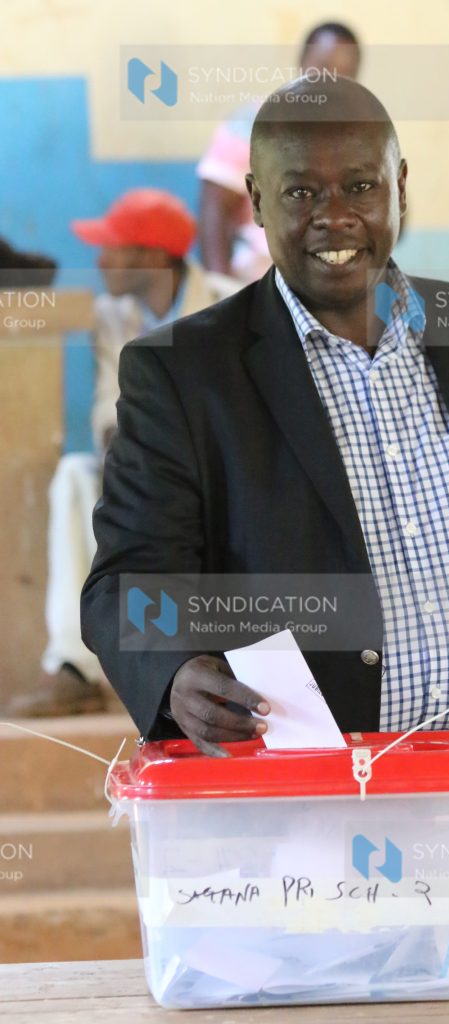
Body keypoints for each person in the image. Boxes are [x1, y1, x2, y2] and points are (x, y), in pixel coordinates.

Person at [81, 78, 449, 948]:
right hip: (313, 826)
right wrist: (173, 670)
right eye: (301, 192)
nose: (333, 216)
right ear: (257, 202)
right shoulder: (184, 375)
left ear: (399, 185)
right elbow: (128, 582)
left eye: (358, 185)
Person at [2, 189, 238, 718]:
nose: (101, 260)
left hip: (221, 473)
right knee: (74, 476)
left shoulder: (231, 303)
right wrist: (140, 460)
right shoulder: (111, 318)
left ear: (154, 258)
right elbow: (110, 411)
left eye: (115, 249)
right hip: (142, 464)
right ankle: (74, 667)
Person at [197, 21, 361, 284]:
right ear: (301, 64)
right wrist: (221, 292)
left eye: (343, 77)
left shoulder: (356, 138)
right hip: (252, 287)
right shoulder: (254, 122)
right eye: (321, 71)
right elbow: (214, 207)